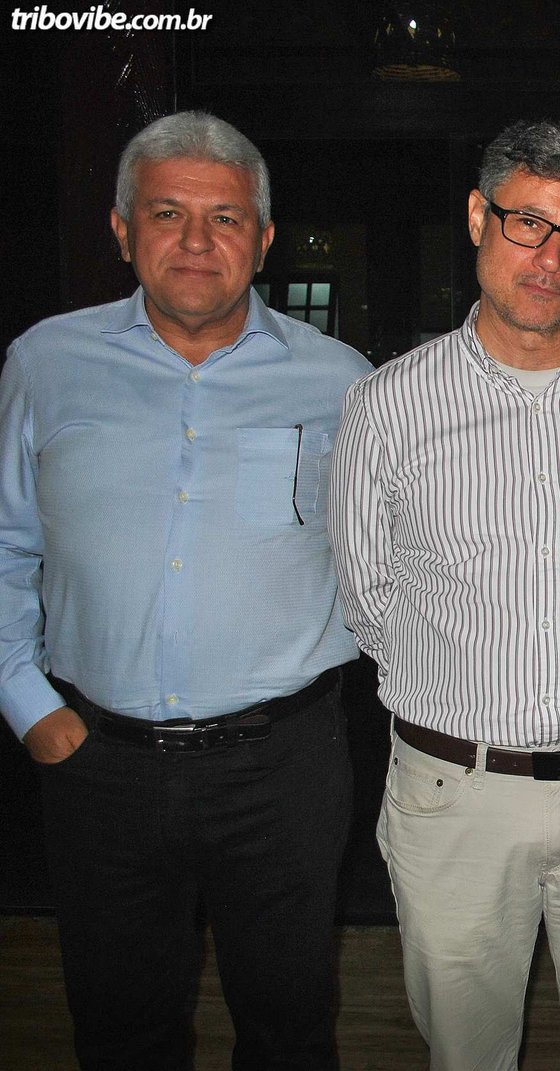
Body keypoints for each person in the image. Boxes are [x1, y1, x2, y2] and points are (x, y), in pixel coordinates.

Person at [328, 119, 560, 1071]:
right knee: (466, 1055)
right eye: (528, 223)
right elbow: (367, 595)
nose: (550, 258)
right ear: (477, 217)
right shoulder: (387, 405)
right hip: (453, 793)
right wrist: (468, 689)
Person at [0, 111, 368, 1069]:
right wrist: (29, 706)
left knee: (290, 1031)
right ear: (122, 230)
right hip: (99, 763)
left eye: (226, 218)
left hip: (284, 765)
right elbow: (5, 545)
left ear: (265, 239)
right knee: (120, 1031)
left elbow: (391, 554)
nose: (197, 240)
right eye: (168, 213)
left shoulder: (342, 381)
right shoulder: (44, 363)